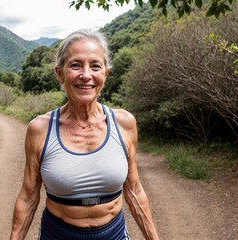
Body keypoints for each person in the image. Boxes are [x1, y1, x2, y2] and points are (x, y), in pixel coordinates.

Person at [10, 28, 160, 240]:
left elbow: (134, 191)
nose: (86, 75)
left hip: (114, 234)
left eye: (95, 66)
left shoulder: (124, 123)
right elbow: (28, 197)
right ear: (60, 73)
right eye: (76, 65)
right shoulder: (40, 129)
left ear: (105, 74)